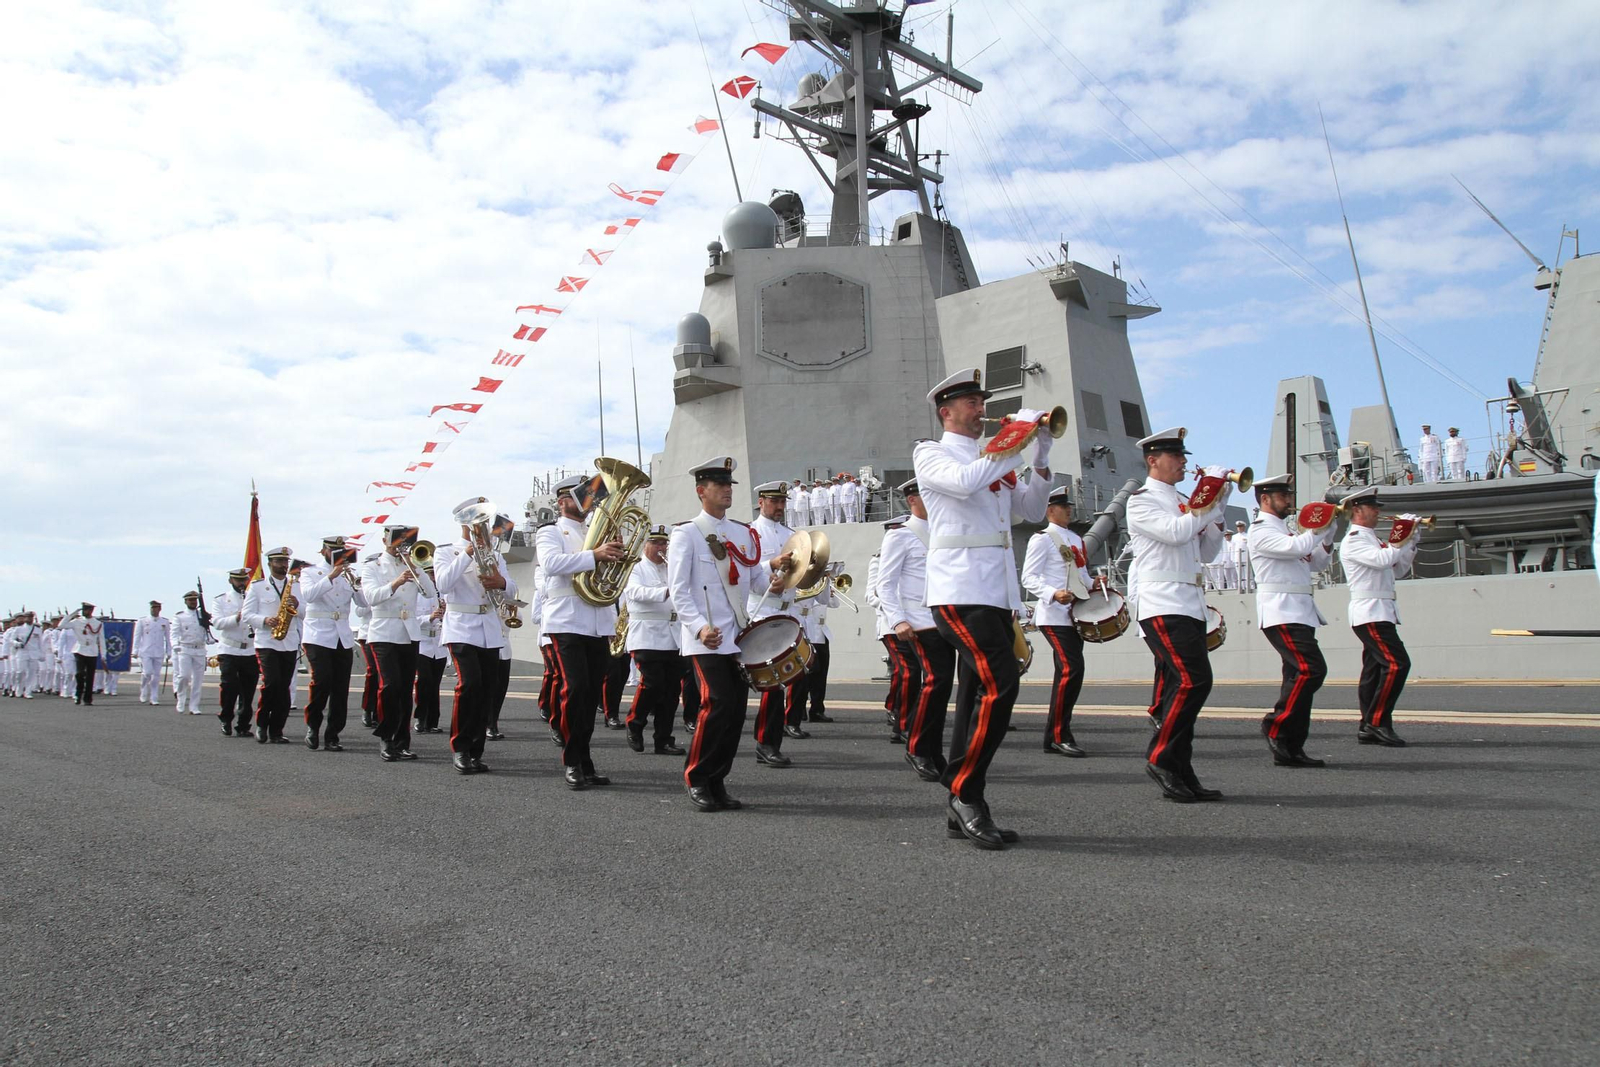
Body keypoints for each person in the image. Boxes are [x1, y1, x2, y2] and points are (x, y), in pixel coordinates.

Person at [913, 369, 1052, 849]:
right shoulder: (931, 454)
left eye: (981, 401)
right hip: (958, 589)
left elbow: (1031, 511)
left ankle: (962, 800)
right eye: (971, 402)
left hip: (995, 592)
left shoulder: (993, 458)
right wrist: (1015, 438)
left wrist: (1041, 450)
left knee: (974, 695)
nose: (980, 409)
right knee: (1001, 685)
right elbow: (967, 482)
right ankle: (965, 793)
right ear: (945, 412)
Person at [667, 456, 787, 811]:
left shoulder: (742, 533)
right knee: (716, 703)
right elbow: (679, 590)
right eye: (718, 486)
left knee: (734, 710)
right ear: (701, 491)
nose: (726, 491)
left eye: (729, 485)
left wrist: (778, 581)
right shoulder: (686, 533)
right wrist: (699, 627)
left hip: (735, 636)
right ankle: (697, 777)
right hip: (705, 637)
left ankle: (718, 780)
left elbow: (754, 581)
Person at [1127, 428, 1229, 803]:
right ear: (1153, 460)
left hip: (1189, 600)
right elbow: (1174, 532)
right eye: (1176, 456)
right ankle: (1161, 757)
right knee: (1193, 681)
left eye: (1184, 456)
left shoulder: (1185, 499)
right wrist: (1206, 499)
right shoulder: (1141, 501)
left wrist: (1215, 505)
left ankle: (1180, 768)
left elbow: (1208, 550)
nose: (1184, 462)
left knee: (1181, 687)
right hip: (1161, 600)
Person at [537, 474, 625, 790]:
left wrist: (616, 555)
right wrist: (595, 555)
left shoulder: (595, 531)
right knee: (575, 690)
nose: (589, 502)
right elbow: (550, 564)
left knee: (589, 696)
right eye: (581, 497)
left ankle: (585, 761)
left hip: (596, 622)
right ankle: (573, 761)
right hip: (566, 621)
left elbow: (609, 577)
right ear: (563, 501)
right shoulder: (551, 531)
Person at [1247, 475, 1337, 767]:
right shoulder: (1260, 530)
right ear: (1265, 499)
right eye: (1283, 495)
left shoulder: (1286, 531)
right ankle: (1276, 725)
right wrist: (1318, 526)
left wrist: (1329, 532)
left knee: (1295, 678)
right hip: (1280, 610)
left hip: (1299, 609)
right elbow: (1298, 549)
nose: (1289, 500)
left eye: (1288, 494)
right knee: (1311, 670)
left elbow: (1317, 562)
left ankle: (1290, 746)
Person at [433, 497, 519, 775]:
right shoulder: (446, 553)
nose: (482, 529)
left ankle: (476, 751)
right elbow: (443, 583)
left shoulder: (497, 555)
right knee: (469, 685)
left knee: (486, 691)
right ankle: (460, 748)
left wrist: (503, 582)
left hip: (490, 628)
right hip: (460, 626)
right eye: (477, 524)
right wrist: (469, 553)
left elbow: (511, 589)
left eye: (485, 523)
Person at [879, 478, 956, 781]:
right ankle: (917, 748)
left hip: (946, 619)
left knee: (943, 686)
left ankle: (933, 751)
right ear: (913, 500)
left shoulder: (943, 532)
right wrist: (898, 620)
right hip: (919, 621)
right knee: (935, 682)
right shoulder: (900, 536)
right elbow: (884, 584)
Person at [1340, 487, 1420, 747]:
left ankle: (1368, 726)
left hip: (1380, 610)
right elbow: (1383, 560)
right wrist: (1401, 535)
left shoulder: (1372, 538)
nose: (1377, 511)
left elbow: (1398, 570)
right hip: (1369, 611)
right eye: (1373, 507)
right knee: (1397, 664)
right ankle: (1377, 722)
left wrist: (1411, 540)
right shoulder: (1354, 539)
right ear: (1357, 511)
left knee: (1373, 672)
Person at [1020, 486, 1093, 757]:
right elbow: (1029, 577)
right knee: (1070, 669)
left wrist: (1098, 584)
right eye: (1064, 506)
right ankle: (1060, 735)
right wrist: (1053, 593)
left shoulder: (1075, 538)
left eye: (1068, 506)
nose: (1069, 510)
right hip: (1053, 614)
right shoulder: (1042, 539)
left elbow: (1082, 576)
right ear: (1050, 511)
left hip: (1074, 615)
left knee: (1072, 672)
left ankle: (1054, 735)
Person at [361, 525, 427, 763]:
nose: (400, 544)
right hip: (383, 632)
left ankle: (402, 742)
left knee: (405, 689)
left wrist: (418, 569)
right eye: (397, 540)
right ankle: (386, 739)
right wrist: (397, 582)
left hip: (408, 633)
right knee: (390, 686)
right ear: (385, 540)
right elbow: (371, 597)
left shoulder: (411, 564)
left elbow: (430, 593)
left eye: (404, 540)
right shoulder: (372, 567)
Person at [747, 481, 801, 767]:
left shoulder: (793, 536)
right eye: (774, 501)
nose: (780, 507)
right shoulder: (750, 533)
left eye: (783, 502)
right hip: (760, 611)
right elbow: (746, 571)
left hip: (786, 612)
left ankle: (768, 743)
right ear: (761, 501)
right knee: (770, 683)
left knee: (778, 682)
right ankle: (764, 742)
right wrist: (770, 569)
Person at [622, 524, 687, 756]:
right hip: (646, 634)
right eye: (656, 543)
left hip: (673, 635)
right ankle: (635, 722)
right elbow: (634, 592)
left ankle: (664, 739)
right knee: (652, 683)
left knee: (671, 692)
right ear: (645, 545)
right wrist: (667, 591)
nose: (661, 548)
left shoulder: (671, 569)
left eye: (664, 543)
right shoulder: (636, 568)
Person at [299, 536, 367, 751]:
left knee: (340, 688)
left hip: (342, 636)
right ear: (324, 551)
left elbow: (364, 604)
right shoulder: (309, 572)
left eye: (342, 550)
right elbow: (309, 596)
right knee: (322, 682)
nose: (339, 553)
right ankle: (313, 726)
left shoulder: (349, 574)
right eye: (334, 550)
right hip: (318, 634)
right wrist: (331, 576)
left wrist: (356, 584)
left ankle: (333, 734)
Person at [243, 549, 302, 743]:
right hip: (267, 641)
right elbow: (247, 615)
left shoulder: (296, 585)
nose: (284, 565)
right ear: (270, 563)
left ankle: (277, 729)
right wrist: (265, 619)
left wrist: (298, 605)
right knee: (272, 683)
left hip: (289, 640)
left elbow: (306, 613)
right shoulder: (258, 587)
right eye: (279, 561)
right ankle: (262, 724)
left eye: (286, 561)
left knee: (284, 686)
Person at [210, 568, 258, 737]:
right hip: (229, 649)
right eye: (238, 580)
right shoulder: (221, 600)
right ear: (231, 581)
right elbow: (217, 623)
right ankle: (226, 718)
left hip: (250, 649)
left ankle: (243, 724)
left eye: (244, 580)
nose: (242, 584)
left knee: (248, 689)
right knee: (229, 687)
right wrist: (237, 618)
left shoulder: (253, 597)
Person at [413, 576, 448, 735]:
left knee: (435, 684)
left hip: (438, 643)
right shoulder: (416, 595)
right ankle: (420, 718)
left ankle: (433, 721)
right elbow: (412, 619)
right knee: (424, 682)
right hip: (422, 642)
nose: (433, 579)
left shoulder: (442, 594)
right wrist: (431, 617)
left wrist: (446, 613)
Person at [172, 591, 209, 714]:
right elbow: (174, 633)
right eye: (190, 600)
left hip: (199, 649)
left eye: (195, 600)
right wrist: (175, 645)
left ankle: (194, 706)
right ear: (185, 601)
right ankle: (181, 699)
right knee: (184, 676)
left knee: (198, 680)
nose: (193, 602)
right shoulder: (180, 616)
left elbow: (207, 629)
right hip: (185, 649)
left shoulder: (202, 614)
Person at [133, 600, 172, 705]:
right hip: (146, 651)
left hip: (158, 651)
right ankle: (143, 689)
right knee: (147, 673)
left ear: (160, 609)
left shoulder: (164, 622)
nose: (154, 610)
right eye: (152, 608)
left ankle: (154, 697)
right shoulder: (142, 621)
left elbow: (168, 638)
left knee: (156, 676)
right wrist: (135, 650)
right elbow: (137, 637)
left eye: (156, 608)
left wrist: (169, 651)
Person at [1231, 520, 1252, 592]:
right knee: (1240, 574)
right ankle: (1242, 587)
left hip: (1246, 557)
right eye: (1238, 527)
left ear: (1244, 527)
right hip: (1237, 557)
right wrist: (1232, 558)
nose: (1239, 528)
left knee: (1248, 573)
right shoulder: (1234, 537)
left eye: (1241, 526)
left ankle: (1250, 586)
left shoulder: (1248, 536)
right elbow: (1232, 548)